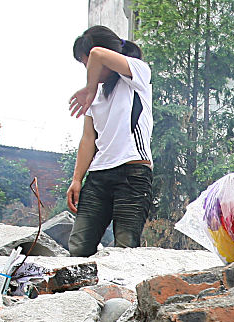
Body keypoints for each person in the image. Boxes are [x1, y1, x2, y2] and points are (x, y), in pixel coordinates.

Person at [66, 26, 154, 256]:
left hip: (132, 173)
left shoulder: (137, 73)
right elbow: (88, 139)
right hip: (98, 176)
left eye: (86, 63)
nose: (88, 69)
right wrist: (77, 179)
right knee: (79, 247)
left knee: (125, 249)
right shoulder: (94, 96)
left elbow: (97, 54)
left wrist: (89, 88)